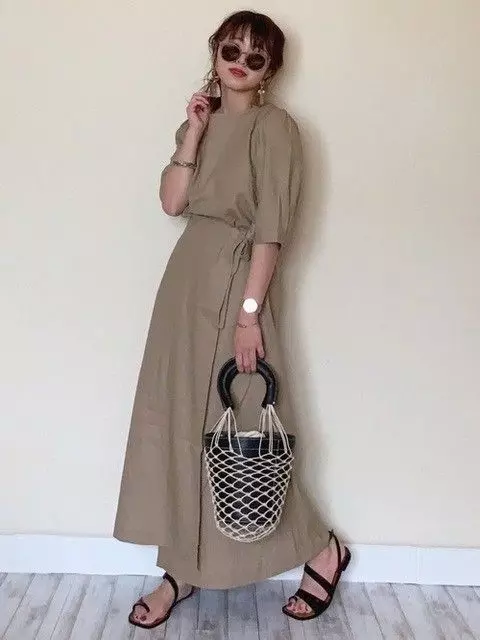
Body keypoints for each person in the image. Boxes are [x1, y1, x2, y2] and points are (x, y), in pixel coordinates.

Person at [113, 9, 351, 629]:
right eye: (231, 51)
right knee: (181, 419)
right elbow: (172, 202)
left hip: (239, 281)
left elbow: (272, 229)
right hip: (185, 281)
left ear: (269, 71)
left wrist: (250, 314)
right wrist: (193, 132)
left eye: (255, 57)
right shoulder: (201, 120)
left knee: (243, 418)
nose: (240, 64)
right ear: (215, 51)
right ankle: (182, 568)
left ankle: (321, 547)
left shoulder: (275, 128)